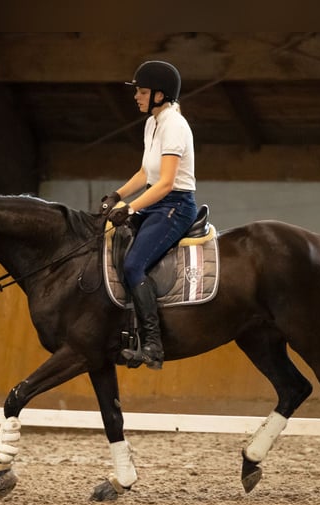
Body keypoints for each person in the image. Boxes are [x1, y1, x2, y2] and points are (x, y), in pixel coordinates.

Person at [101, 60, 198, 370]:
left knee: (134, 264)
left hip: (175, 205)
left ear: (159, 95)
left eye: (141, 92)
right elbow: (146, 173)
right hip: (155, 201)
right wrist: (118, 195)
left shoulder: (175, 125)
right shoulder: (151, 124)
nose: (136, 97)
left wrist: (130, 208)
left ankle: (154, 345)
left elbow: (167, 182)